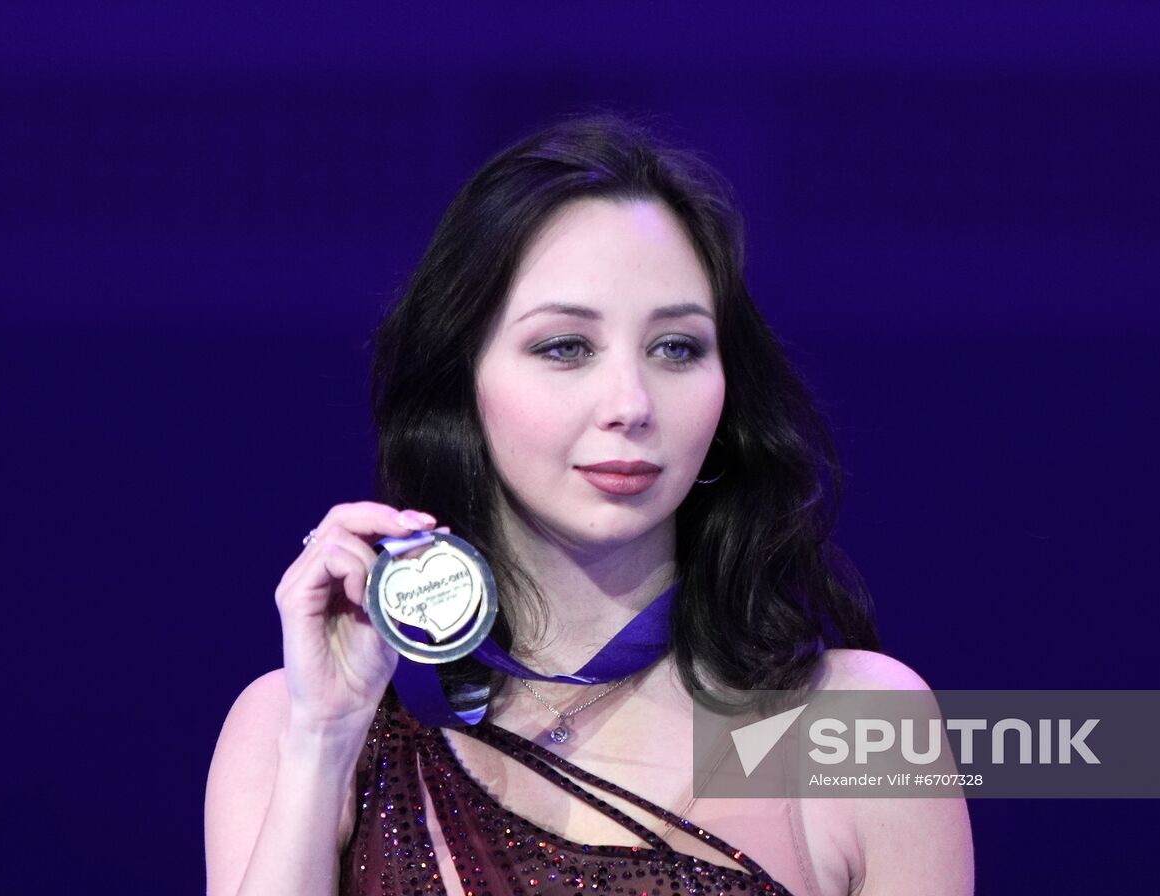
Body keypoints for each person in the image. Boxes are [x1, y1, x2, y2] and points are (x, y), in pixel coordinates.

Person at [205, 114, 974, 896]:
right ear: (462, 384)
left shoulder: (858, 726)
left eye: (676, 348)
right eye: (565, 347)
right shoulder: (297, 728)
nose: (630, 403)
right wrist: (326, 739)